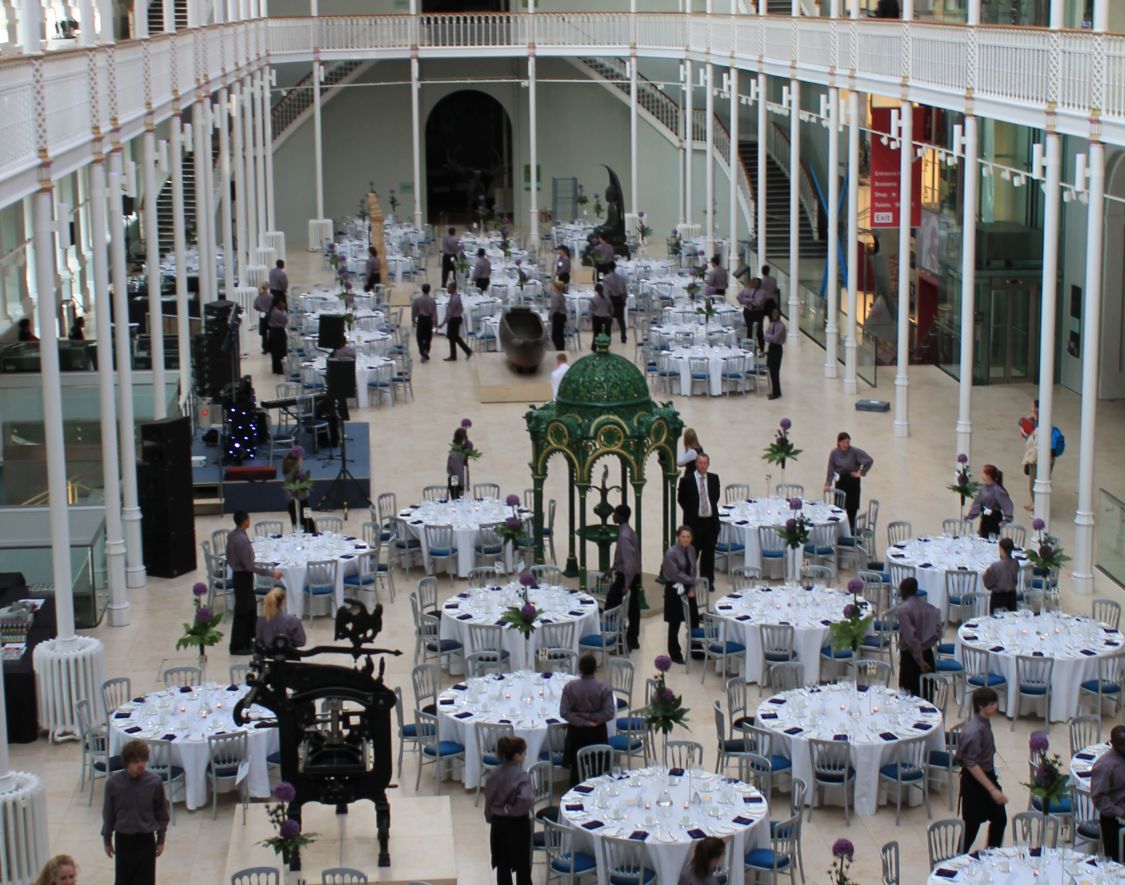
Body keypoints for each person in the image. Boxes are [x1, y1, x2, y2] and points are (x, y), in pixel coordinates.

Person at [101, 739, 169, 885]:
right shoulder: (113, 784)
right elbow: (108, 814)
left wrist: (161, 839)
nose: (140, 765)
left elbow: (161, 813)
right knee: (123, 881)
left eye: (143, 760)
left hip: (145, 840)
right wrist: (107, 839)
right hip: (124, 839)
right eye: (136, 761)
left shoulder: (154, 782)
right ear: (127, 762)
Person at [954, 687, 1008, 852]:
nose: (995, 707)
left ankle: (992, 854)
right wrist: (992, 789)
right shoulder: (975, 731)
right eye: (992, 704)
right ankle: (959, 858)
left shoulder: (983, 722)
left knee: (999, 818)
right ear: (981, 706)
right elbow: (971, 764)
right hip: (975, 783)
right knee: (971, 826)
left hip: (987, 776)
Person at [225, 511, 284, 654]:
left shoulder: (233, 535)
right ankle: (237, 645)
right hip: (243, 576)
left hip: (240, 575)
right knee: (243, 611)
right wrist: (271, 573)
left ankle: (249, 640)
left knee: (250, 609)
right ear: (245, 521)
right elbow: (249, 565)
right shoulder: (241, 539)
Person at [483, 735, 534, 885]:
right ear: (518, 756)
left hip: (499, 825)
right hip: (518, 825)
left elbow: (489, 798)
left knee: (502, 866)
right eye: (524, 753)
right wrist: (512, 810)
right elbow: (526, 799)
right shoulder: (521, 776)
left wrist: (491, 816)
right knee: (522, 866)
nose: (525, 756)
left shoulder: (494, 774)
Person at [560, 654, 615, 787]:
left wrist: (582, 718)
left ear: (580, 668)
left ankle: (575, 793)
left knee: (576, 770)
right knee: (598, 765)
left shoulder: (570, 687)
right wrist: (593, 719)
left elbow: (564, 712)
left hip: (576, 732)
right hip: (597, 731)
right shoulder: (604, 688)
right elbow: (609, 713)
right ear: (595, 669)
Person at [678, 452, 721, 590]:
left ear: (708, 464)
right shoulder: (687, 481)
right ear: (696, 464)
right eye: (700, 463)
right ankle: (688, 581)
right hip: (694, 524)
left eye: (705, 463)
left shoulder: (714, 479)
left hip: (710, 523)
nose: (703, 466)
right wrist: (692, 512)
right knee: (692, 554)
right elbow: (681, 500)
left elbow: (715, 497)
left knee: (709, 556)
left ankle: (708, 581)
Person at [605, 504, 641, 650]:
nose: (613, 515)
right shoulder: (627, 531)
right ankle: (632, 640)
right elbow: (623, 557)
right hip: (630, 575)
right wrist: (612, 568)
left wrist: (626, 583)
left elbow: (629, 562)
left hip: (627, 577)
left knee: (612, 607)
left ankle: (620, 641)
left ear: (621, 516)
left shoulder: (625, 536)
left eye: (615, 513)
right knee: (633, 609)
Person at [897, 577, 941, 697]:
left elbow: (911, 639)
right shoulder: (931, 608)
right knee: (927, 695)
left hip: (911, 659)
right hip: (928, 654)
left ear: (904, 591)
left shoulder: (903, 610)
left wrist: (920, 661)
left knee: (908, 697)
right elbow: (938, 633)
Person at [661, 525, 699, 665]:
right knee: (674, 622)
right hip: (674, 588)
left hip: (688, 586)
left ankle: (696, 648)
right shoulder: (671, 553)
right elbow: (675, 574)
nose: (685, 539)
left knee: (694, 618)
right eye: (683, 536)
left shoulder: (691, 550)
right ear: (678, 537)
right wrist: (692, 581)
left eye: (688, 537)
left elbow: (693, 569)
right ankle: (675, 653)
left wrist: (692, 587)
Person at [823, 432, 874, 532]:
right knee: (838, 508)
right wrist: (828, 484)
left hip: (852, 482)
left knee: (852, 509)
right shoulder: (834, 453)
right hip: (841, 482)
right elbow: (831, 469)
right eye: (844, 443)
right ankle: (839, 532)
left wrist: (861, 473)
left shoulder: (855, 452)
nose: (846, 445)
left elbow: (869, 460)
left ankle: (850, 532)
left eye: (848, 442)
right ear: (838, 442)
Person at [1090, 724, 1125, 862]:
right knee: (1117, 862)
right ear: (1112, 743)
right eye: (1122, 744)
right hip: (1114, 820)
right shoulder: (1104, 766)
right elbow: (1099, 799)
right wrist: (1120, 812)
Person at [967, 465, 1013, 539]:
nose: (982, 475)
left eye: (983, 473)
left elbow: (1007, 504)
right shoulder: (983, 488)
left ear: (988, 476)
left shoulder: (997, 490)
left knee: (992, 539)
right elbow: (977, 503)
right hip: (985, 518)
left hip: (994, 519)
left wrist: (1007, 518)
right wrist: (970, 516)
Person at [982, 537, 1019, 614]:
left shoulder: (995, 566)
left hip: (998, 598)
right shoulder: (1016, 563)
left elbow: (988, 584)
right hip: (1012, 597)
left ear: (1002, 550)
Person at [439, 282, 472, 361]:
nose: (448, 289)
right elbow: (461, 308)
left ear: (453, 288)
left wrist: (443, 323)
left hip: (454, 320)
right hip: (457, 318)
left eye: (449, 288)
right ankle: (467, 351)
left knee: (452, 338)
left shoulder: (454, 299)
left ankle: (454, 356)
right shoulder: (456, 296)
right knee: (455, 337)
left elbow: (449, 313)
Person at [281, 445, 308, 530]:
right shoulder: (297, 471)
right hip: (299, 496)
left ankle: (295, 529)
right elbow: (303, 481)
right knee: (306, 515)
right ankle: (307, 531)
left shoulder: (286, 465)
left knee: (293, 516)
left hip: (290, 496)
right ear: (298, 458)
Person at [601, 261, 628, 343]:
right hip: (619, 299)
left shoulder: (606, 278)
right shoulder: (621, 278)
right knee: (621, 320)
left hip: (611, 299)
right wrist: (624, 300)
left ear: (608, 268)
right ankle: (623, 337)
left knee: (608, 321)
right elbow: (624, 291)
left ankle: (608, 338)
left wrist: (607, 303)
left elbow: (606, 292)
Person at [412, 283, 437, 362]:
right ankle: (426, 351)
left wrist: (413, 319)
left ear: (422, 290)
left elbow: (414, 310)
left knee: (419, 337)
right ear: (429, 290)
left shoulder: (417, 300)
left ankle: (422, 352)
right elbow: (434, 313)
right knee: (428, 337)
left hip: (421, 319)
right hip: (429, 320)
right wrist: (435, 322)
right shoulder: (432, 301)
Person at [764, 307, 786, 399]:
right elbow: (766, 335)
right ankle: (775, 391)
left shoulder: (781, 326)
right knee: (770, 368)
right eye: (773, 313)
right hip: (771, 347)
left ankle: (776, 393)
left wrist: (768, 336)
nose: (774, 315)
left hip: (777, 348)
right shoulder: (772, 324)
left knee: (775, 371)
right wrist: (769, 336)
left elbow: (775, 338)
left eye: (776, 313)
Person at [737, 277, 765, 349]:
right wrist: (750, 299)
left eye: (757, 283)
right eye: (754, 282)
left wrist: (746, 300)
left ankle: (762, 348)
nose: (755, 284)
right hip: (748, 311)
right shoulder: (747, 290)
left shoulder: (762, 292)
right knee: (749, 329)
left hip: (758, 312)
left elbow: (758, 303)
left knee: (759, 331)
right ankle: (750, 347)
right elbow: (739, 297)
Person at [267, 294, 289, 375]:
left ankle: (275, 368)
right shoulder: (278, 312)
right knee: (279, 351)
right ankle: (279, 369)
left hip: (273, 331)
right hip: (278, 332)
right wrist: (284, 311)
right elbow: (285, 321)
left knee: (274, 352)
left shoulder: (272, 310)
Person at [447, 427, 469, 499]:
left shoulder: (459, 451)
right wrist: (463, 485)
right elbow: (459, 472)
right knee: (457, 501)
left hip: (455, 478)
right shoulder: (455, 455)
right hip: (455, 479)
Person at [253, 282, 273, 354]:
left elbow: (255, 306)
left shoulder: (258, 298)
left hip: (262, 315)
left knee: (263, 334)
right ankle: (271, 347)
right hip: (270, 315)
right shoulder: (271, 296)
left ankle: (265, 348)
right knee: (271, 332)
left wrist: (261, 309)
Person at [549, 281, 567, 351]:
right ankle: (561, 348)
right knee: (560, 334)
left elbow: (554, 308)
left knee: (555, 335)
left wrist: (550, 315)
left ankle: (559, 349)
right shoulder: (561, 295)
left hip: (558, 316)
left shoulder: (556, 296)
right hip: (562, 315)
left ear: (556, 288)